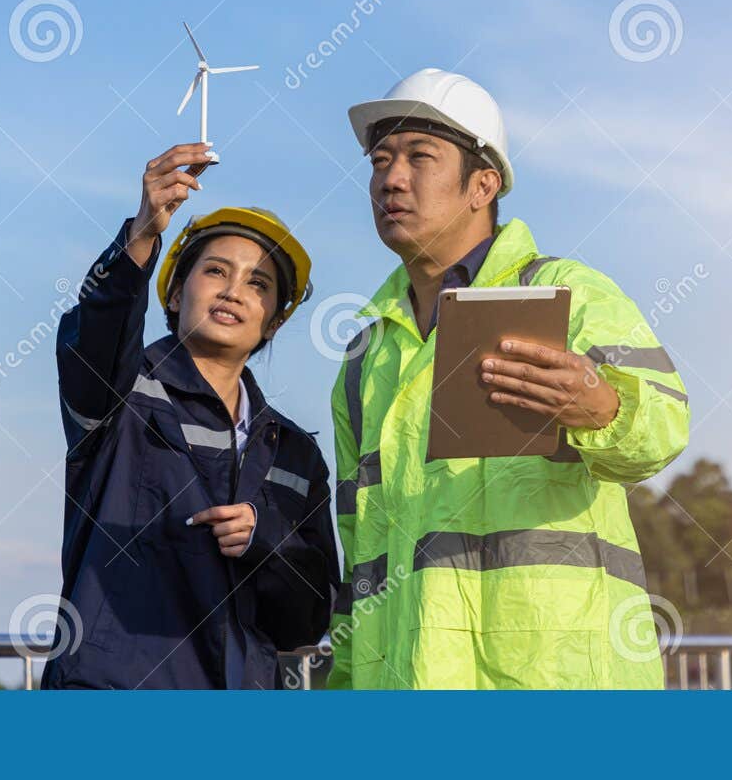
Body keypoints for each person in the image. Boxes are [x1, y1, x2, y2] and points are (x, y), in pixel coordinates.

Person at [326, 70, 690, 689]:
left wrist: (601, 406)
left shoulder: (567, 295)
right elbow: (359, 554)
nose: (391, 178)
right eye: (381, 160)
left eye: (420, 157)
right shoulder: (367, 355)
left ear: (483, 185)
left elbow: (664, 429)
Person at [42, 142, 339, 689]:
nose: (234, 291)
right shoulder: (121, 393)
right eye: (216, 271)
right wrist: (142, 235)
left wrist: (264, 539)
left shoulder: (294, 452)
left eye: (259, 284)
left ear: (272, 322)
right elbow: (97, 331)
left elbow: (311, 618)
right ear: (176, 293)